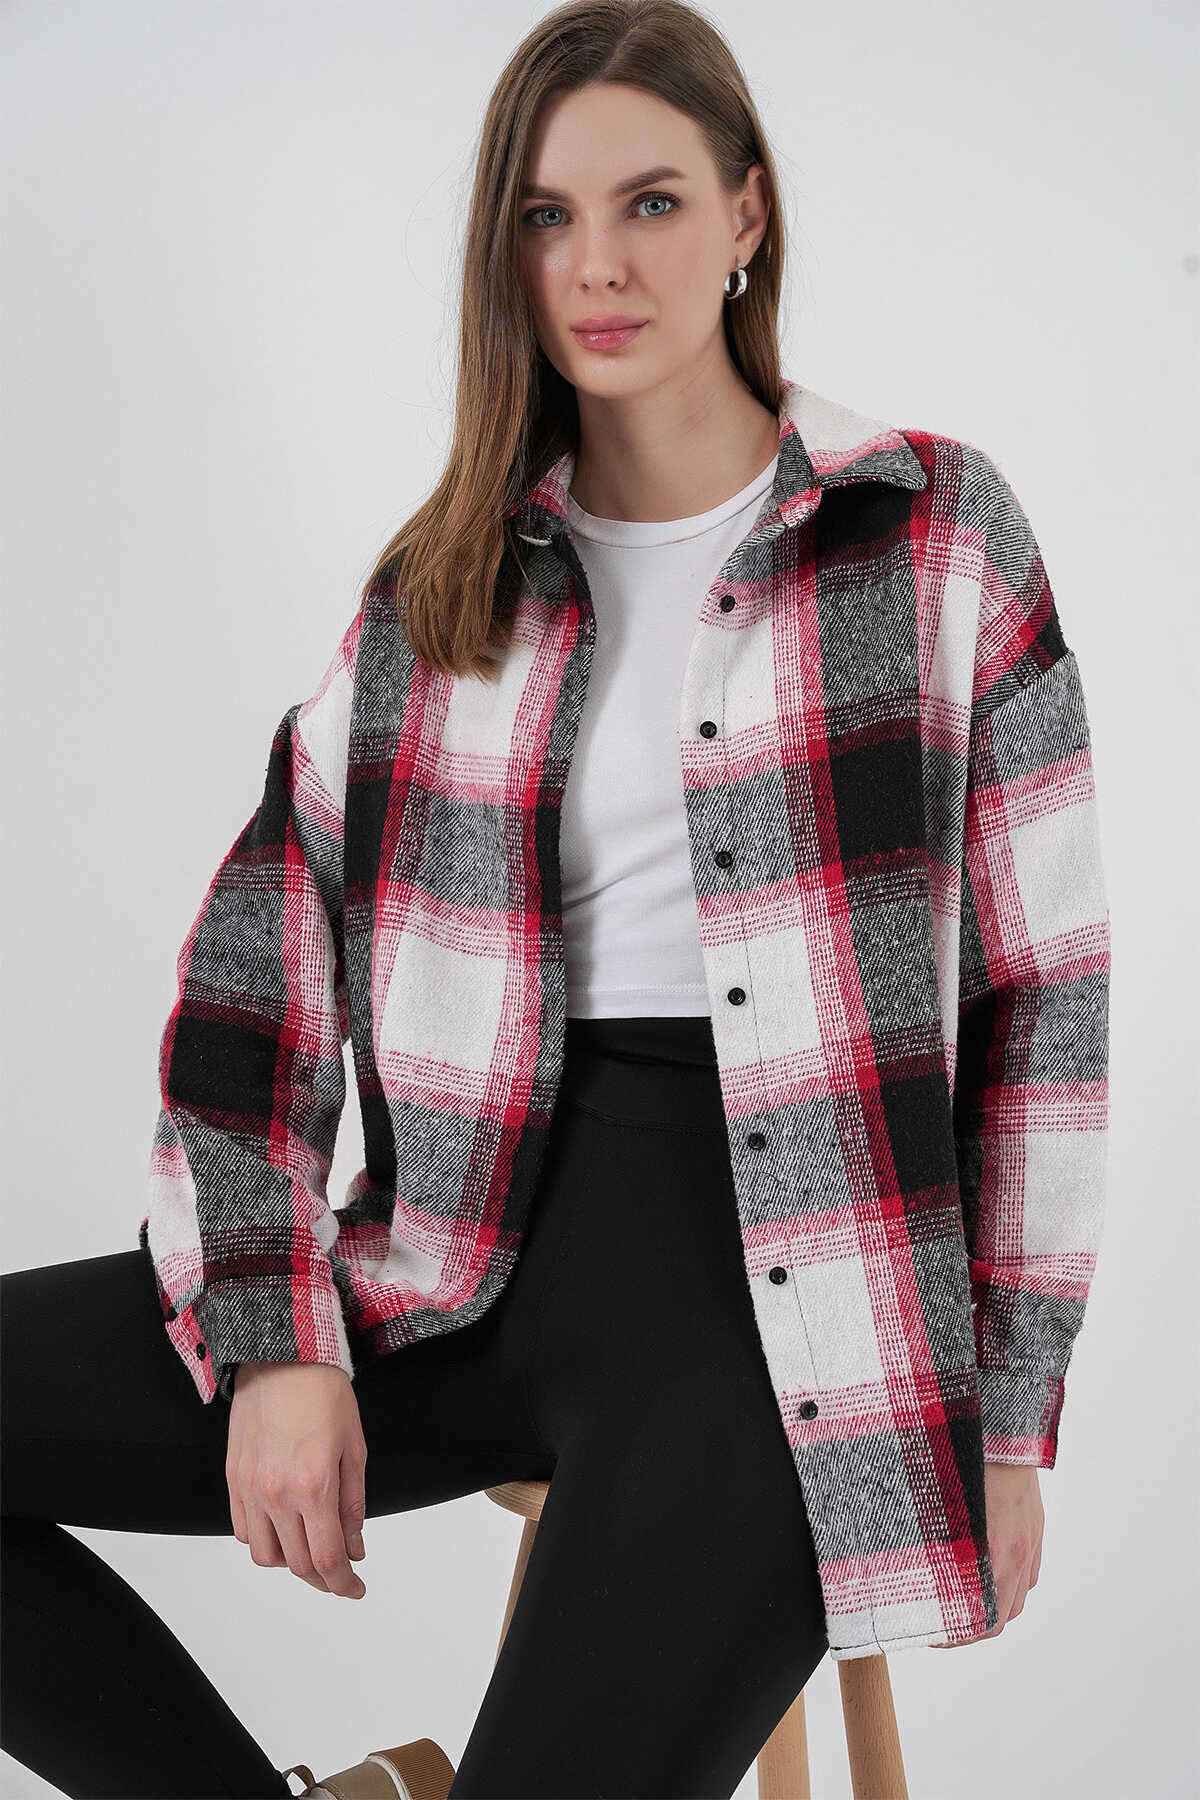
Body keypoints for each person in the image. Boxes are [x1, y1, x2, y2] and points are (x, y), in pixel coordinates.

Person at [1, 2, 1111, 1796]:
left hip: (784, 1335)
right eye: (545, 216)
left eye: (650, 202)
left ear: (746, 213)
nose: (596, 264)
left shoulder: (933, 531)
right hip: (456, 1264)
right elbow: (257, 983)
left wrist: (1008, 1413)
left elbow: (1047, 1000)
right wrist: (276, 1341)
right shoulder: (442, 587)